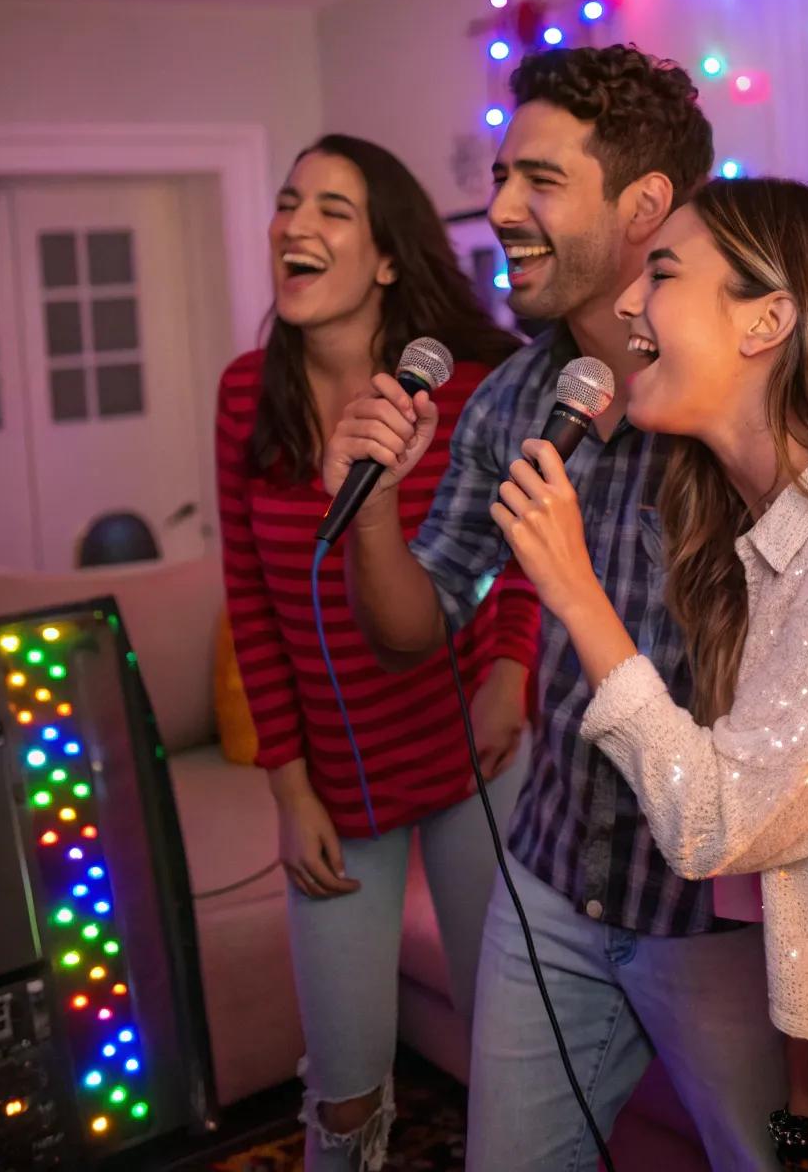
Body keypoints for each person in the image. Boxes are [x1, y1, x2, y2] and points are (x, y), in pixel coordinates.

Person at [324, 47, 788, 1171]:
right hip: (550, 886)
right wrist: (375, 507)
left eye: (537, 180)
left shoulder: (759, 391)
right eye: (496, 177)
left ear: (642, 208)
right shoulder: (519, 396)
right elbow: (411, 626)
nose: (495, 210)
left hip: (718, 915)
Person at [489, 176, 808, 1170]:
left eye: (662, 274)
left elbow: (716, 825)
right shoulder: (786, 529)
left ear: (767, 319)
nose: (629, 303)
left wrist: (580, 601)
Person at [216, 134, 540, 1172]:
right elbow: (251, 599)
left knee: (519, 1058)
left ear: (389, 256)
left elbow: (529, 539)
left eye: (332, 210)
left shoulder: (474, 385)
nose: (295, 225)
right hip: (341, 791)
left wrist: (511, 674)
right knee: (346, 1087)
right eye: (286, 202)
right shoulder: (242, 396)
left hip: (470, 760)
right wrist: (287, 786)